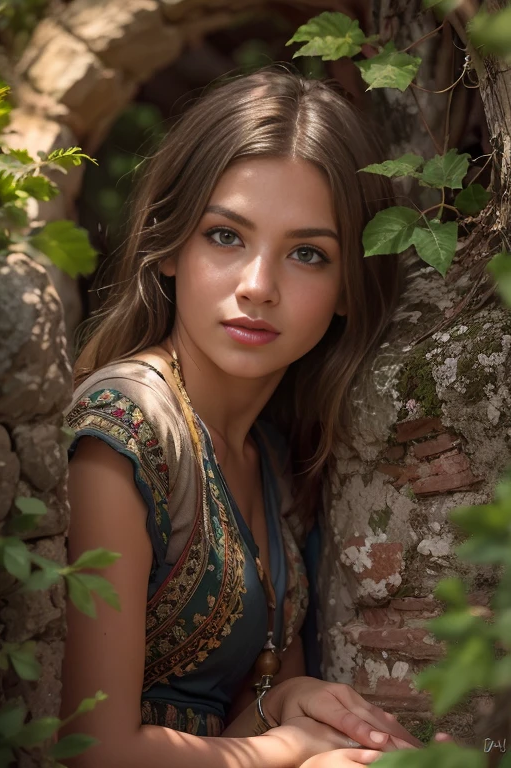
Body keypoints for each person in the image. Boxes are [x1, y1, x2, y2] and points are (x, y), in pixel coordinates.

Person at [61, 66, 447, 768]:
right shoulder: (125, 428)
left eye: (307, 254)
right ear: (172, 245)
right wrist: (287, 752)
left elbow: (225, 716)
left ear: (346, 292)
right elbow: (92, 748)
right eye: (225, 236)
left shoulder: (273, 458)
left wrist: (282, 700)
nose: (258, 287)